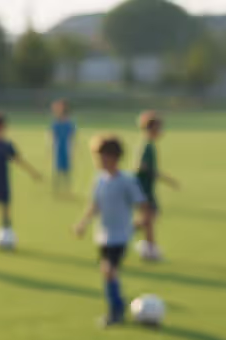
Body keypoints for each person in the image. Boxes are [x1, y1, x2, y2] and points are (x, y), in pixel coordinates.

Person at [73, 135, 148, 327]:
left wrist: (141, 221)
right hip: (103, 235)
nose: (98, 161)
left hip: (121, 235)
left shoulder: (126, 181)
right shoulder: (100, 180)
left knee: (109, 270)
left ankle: (116, 311)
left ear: (113, 157)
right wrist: (82, 224)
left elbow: (141, 203)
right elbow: (95, 205)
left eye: (101, 157)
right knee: (107, 272)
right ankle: (117, 306)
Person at [0, 111, 41, 251]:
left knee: (6, 212)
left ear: (3, 127)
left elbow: (18, 160)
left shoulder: (7, 145)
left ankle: (7, 239)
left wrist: (33, 172)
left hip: (4, 183)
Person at [134, 110, 180, 262]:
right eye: (159, 128)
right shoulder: (146, 146)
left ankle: (145, 246)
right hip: (143, 189)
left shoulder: (150, 145)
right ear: (151, 129)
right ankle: (150, 250)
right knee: (149, 219)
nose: (161, 131)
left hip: (146, 189)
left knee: (149, 219)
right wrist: (165, 179)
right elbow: (142, 166)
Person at [49, 99, 77, 198]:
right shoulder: (56, 123)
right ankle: (56, 189)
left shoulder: (69, 123)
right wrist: (52, 146)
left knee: (67, 170)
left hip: (66, 147)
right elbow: (52, 135)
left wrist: (72, 149)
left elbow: (72, 136)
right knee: (57, 168)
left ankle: (67, 190)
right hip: (58, 147)